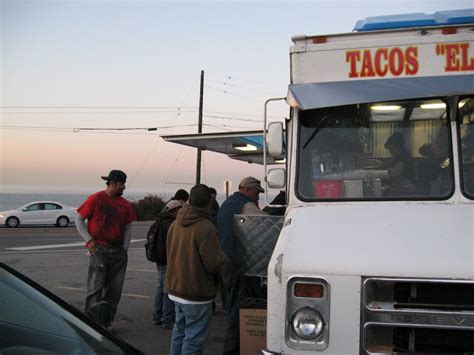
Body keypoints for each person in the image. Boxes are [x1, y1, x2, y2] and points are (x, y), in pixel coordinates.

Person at [166, 184, 228, 355]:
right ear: (209, 203)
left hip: (176, 288)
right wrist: (224, 259)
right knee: (194, 339)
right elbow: (213, 264)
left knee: (179, 332)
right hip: (196, 292)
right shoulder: (206, 228)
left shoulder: (175, 224)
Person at [75, 169, 136, 331]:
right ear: (113, 183)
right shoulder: (96, 199)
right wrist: (90, 241)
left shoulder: (125, 205)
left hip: (118, 252)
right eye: (121, 184)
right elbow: (79, 219)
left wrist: (124, 249)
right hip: (99, 249)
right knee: (95, 288)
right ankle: (91, 323)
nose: (124, 187)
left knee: (114, 291)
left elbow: (128, 227)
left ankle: (106, 323)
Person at [217, 176, 267, 355]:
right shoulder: (245, 204)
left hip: (225, 262)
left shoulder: (226, 204)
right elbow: (264, 222)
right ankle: (231, 350)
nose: (258, 197)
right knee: (236, 312)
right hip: (237, 264)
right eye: (257, 193)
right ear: (248, 190)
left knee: (231, 305)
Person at [152, 199, 182, 329]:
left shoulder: (160, 222)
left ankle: (157, 315)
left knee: (160, 288)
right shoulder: (171, 224)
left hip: (159, 259)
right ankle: (167, 319)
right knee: (168, 290)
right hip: (168, 260)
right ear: (174, 210)